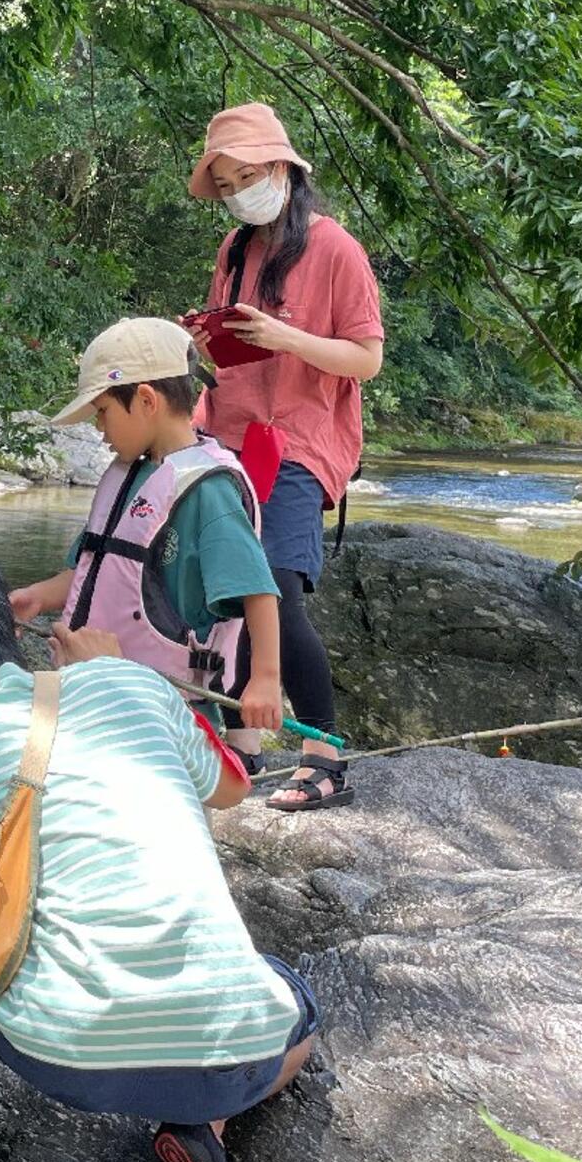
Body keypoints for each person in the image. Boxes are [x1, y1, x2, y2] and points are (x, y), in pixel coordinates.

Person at [0, 550, 320, 1162]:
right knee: (296, 1005)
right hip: (234, 1048)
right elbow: (232, 786)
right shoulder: (135, 684)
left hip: (61, 1050)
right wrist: (115, 671)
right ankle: (200, 1131)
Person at [190, 102, 384, 810]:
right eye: (229, 182)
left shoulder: (335, 249)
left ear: (282, 169)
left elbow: (366, 357)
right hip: (230, 433)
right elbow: (227, 353)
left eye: (248, 174)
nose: (241, 191)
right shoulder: (235, 251)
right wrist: (208, 345)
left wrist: (286, 338)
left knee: (272, 584)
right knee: (226, 592)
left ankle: (325, 753)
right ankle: (241, 745)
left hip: (302, 440)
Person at [7, 316, 286, 746]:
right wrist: (38, 596)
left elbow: (257, 590)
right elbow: (96, 571)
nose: (100, 431)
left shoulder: (207, 491)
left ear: (145, 400)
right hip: (93, 693)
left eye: (102, 412)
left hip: (165, 715)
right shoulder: (127, 476)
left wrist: (265, 680)